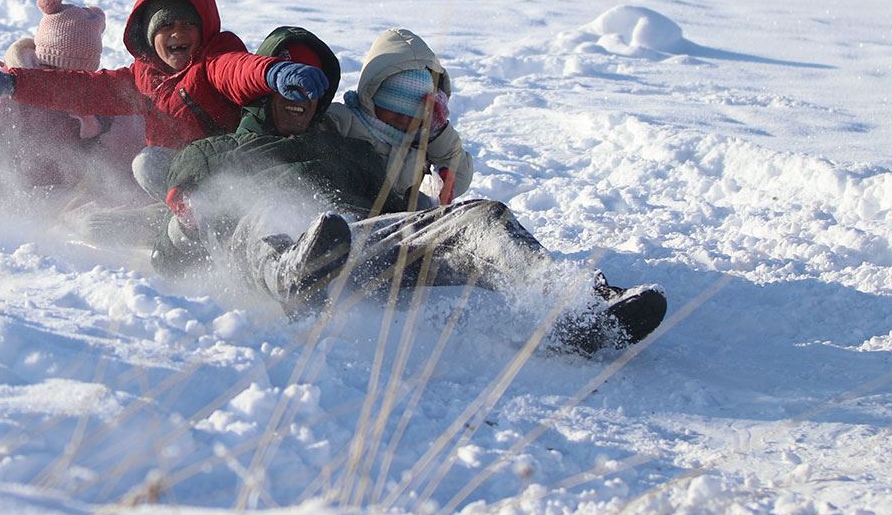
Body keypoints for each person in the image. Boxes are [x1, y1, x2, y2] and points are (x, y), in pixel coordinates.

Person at [153, 26, 667, 355]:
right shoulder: (218, 151)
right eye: (291, 82)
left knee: (481, 217)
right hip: (282, 252)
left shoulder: (344, 148)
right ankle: (293, 275)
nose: (302, 96)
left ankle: (577, 309)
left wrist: (439, 188)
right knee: (265, 209)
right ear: (264, 86)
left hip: (359, 243)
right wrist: (181, 226)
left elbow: (404, 205)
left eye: (314, 86)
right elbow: (170, 248)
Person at [0, 0, 330, 197]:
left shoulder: (211, 63)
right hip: (174, 191)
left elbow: (237, 69)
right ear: (149, 35)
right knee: (118, 202)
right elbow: (80, 90)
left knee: (148, 163)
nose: (177, 33)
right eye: (166, 26)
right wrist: (7, 83)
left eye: (187, 24)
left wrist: (272, 72)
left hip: (224, 174)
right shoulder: (140, 81)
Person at [0, 0, 143, 205]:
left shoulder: (86, 99)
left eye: (75, 78)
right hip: (14, 189)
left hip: (63, 189)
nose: (61, 84)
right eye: (54, 72)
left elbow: (121, 133)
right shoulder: (10, 97)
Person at [327, 27, 475, 209]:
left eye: (412, 115)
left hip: (403, 222)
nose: (404, 120)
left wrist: (437, 132)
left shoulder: (421, 142)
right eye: (395, 111)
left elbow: (460, 176)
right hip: (346, 213)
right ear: (372, 97)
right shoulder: (343, 120)